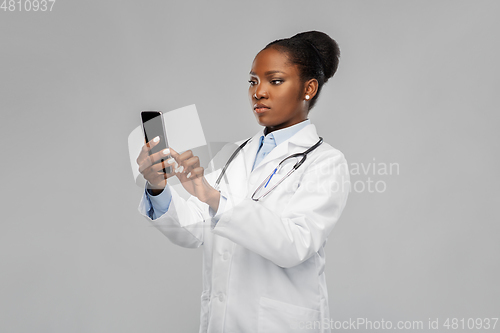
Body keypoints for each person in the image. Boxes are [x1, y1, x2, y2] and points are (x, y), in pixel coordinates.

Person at [136, 30, 350, 333]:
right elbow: (194, 231)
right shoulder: (233, 153)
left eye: (274, 81)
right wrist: (158, 188)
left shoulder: (325, 162)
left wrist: (213, 198)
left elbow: (295, 245)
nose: (258, 92)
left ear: (309, 88)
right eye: (253, 81)